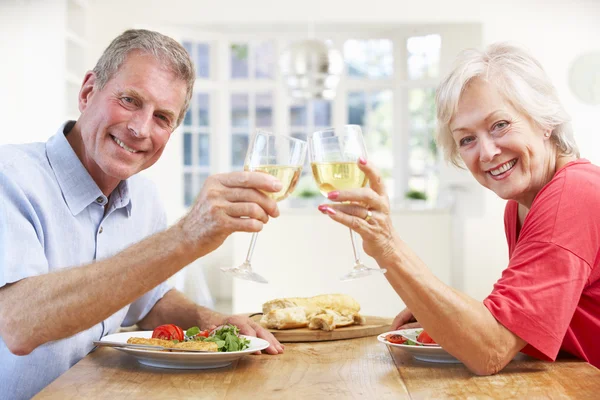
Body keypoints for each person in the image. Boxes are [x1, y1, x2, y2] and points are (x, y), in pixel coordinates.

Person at [0, 29, 284, 399]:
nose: (140, 129)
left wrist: (213, 323)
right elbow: (20, 325)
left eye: (163, 118)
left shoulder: (144, 196)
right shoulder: (10, 176)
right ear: (88, 92)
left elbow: (149, 303)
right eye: (130, 100)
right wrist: (185, 238)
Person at [317, 42, 600, 374]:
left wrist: (387, 245)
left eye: (500, 125)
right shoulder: (520, 205)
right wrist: (442, 311)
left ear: (544, 120)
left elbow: (491, 350)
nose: (488, 152)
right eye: (467, 139)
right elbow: (524, 322)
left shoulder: (573, 194)